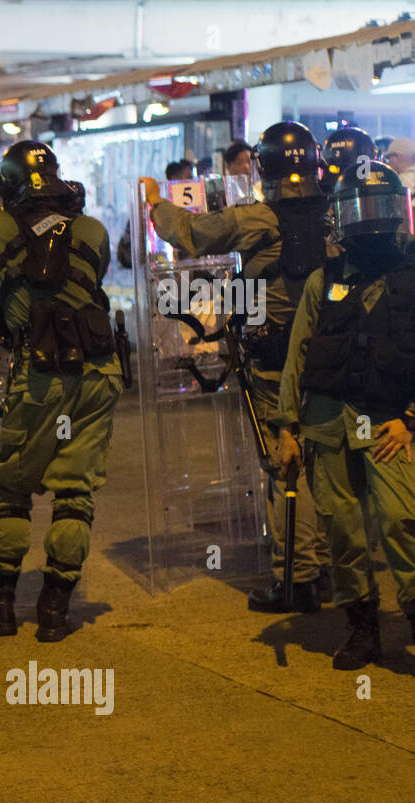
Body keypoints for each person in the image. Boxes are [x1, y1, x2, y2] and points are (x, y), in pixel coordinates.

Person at [142, 121, 332, 613]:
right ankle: (329, 566)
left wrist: (155, 202)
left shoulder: (259, 218)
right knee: (323, 463)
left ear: (263, 168)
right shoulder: (335, 214)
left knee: (287, 468)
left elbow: (188, 234)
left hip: (274, 368)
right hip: (329, 363)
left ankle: (299, 577)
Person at [0, 141, 122, 641]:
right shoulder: (92, 229)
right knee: (75, 490)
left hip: (41, 373)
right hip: (99, 371)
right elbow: (94, 273)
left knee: (11, 487)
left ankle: (1, 606)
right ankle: (54, 611)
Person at [276, 162, 415, 669]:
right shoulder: (323, 280)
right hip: (328, 423)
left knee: (402, 521)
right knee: (344, 531)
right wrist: (286, 428)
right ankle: (362, 628)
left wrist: (411, 419)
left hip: (388, 425)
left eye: (380, 207)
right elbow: (298, 357)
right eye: (361, 208)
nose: (371, 220)